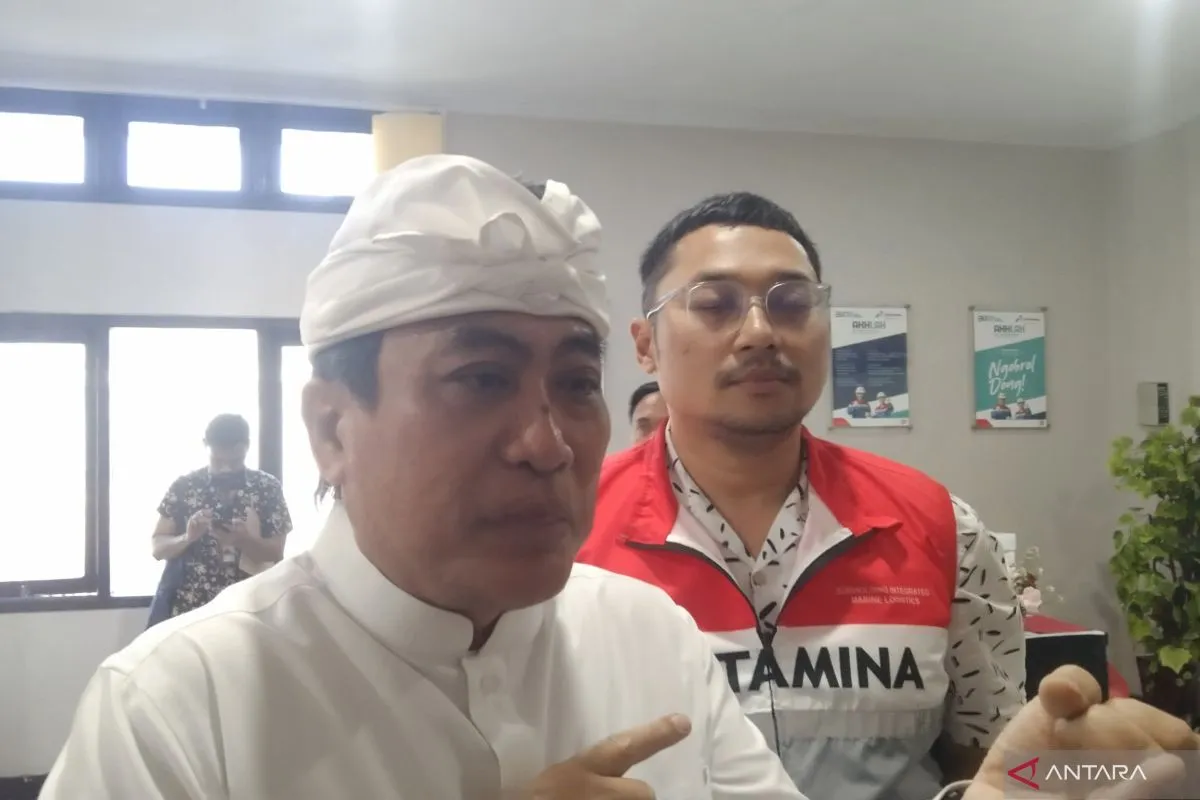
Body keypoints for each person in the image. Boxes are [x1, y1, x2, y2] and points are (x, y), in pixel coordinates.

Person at [40, 158, 1198, 800]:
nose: (547, 440)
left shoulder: (644, 635)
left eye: (570, 382)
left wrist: (995, 799)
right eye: (478, 377)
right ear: (331, 426)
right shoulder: (176, 707)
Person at [579, 192, 1026, 800]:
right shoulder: (568, 535)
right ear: (645, 345)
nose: (760, 333)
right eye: (714, 304)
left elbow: (992, 758)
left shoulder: (942, 528)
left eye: (792, 304)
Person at [145, 413, 292, 627]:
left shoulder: (267, 488)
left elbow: (276, 553)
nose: (226, 469)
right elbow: (158, 548)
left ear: (247, 447)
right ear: (206, 445)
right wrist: (188, 537)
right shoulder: (185, 487)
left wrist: (244, 540)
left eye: (234, 462)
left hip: (248, 609)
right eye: (218, 461)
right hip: (189, 609)